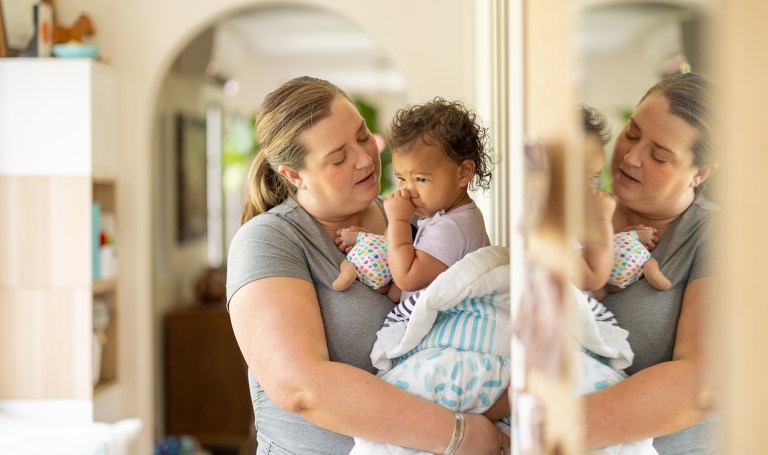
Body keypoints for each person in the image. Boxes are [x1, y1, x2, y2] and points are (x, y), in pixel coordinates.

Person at [226, 76, 509, 455]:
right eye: (339, 158)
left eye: (363, 137)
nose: (365, 159)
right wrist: (457, 434)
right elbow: (300, 387)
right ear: (294, 176)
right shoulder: (271, 241)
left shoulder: (415, 226)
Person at [583, 72, 719, 454]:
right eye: (631, 132)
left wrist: (546, 430)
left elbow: (703, 385)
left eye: (659, 156)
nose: (630, 157)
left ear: (701, 173)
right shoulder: (579, 211)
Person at [335, 97, 493, 325]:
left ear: (464, 173)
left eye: (421, 179)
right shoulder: (457, 216)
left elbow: (407, 278)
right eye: (401, 179)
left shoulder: (451, 228)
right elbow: (402, 285)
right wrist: (377, 242)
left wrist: (398, 221)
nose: (408, 191)